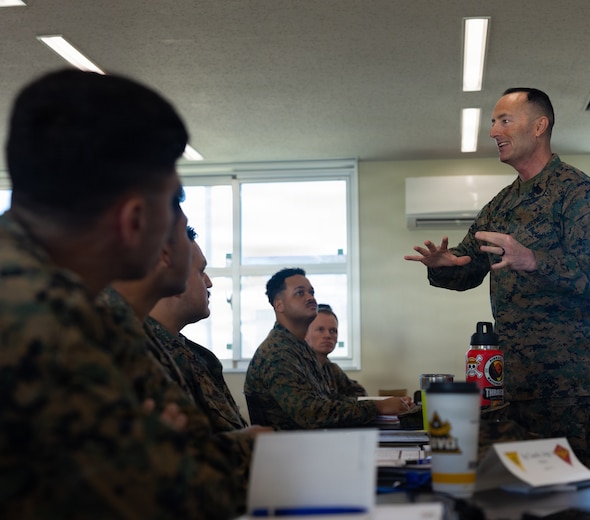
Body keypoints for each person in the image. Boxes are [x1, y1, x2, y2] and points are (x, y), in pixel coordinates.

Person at [0, 69, 248, 518]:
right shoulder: (51, 316)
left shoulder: (74, 303)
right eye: (170, 203)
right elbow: (189, 494)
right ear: (135, 219)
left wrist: (170, 453)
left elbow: (183, 455)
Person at [405, 87, 590, 470]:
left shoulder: (579, 193)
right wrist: (445, 264)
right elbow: (469, 266)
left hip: (563, 381)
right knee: (518, 490)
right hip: (510, 381)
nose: (493, 131)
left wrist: (533, 259)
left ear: (539, 126)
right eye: (492, 122)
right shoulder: (501, 204)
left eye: (505, 120)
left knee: (566, 490)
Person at [244, 268, 411, 429]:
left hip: (311, 444)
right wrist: (378, 406)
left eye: (312, 292)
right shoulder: (277, 353)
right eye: (300, 293)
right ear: (279, 305)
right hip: (288, 452)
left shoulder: (301, 350)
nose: (310, 298)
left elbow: (331, 401)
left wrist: (386, 405)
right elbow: (311, 414)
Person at [147, 226, 250, 433]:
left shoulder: (202, 358)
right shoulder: (141, 354)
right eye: (201, 271)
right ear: (174, 276)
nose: (209, 283)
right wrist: (246, 442)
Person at [305, 303, 367, 398]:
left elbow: (360, 392)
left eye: (333, 331)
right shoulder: (299, 368)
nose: (328, 336)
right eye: (320, 330)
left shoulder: (331, 368)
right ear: (305, 335)